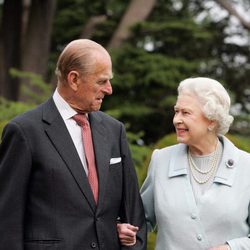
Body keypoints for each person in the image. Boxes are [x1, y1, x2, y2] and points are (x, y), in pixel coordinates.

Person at [0, 39, 147, 250]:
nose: (109, 89)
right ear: (74, 79)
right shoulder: (24, 131)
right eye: (102, 81)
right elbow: (6, 221)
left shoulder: (115, 131)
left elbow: (134, 216)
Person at [118, 77, 250, 250]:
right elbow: (140, 221)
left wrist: (231, 248)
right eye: (176, 111)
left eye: (186, 113)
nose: (176, 120)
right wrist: (123, 228)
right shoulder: (161, 160)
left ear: (211, 120)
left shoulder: (246, 166)